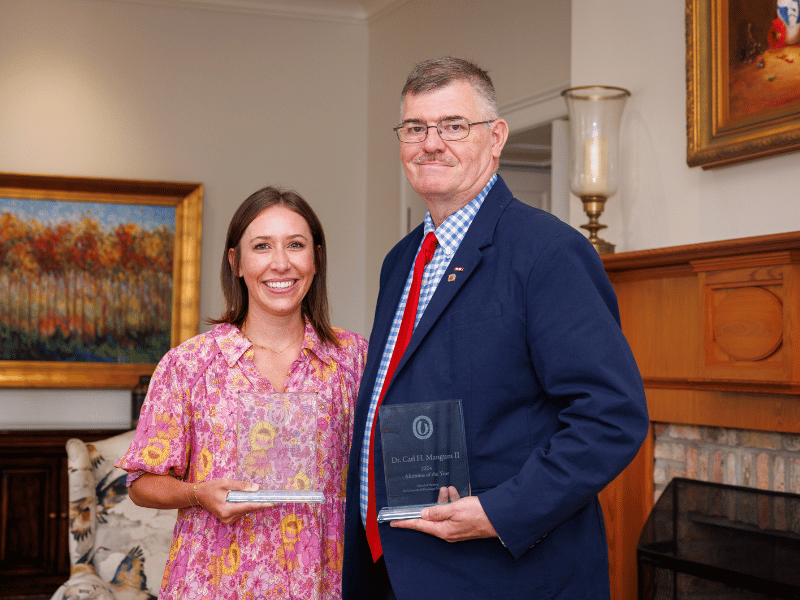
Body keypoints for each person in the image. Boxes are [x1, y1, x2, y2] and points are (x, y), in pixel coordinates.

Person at [342, 57, 649, 599]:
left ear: (496, 137)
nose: (430, 143)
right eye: (415, 128)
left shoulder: (549, 252)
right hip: (398, 568)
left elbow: (612, 416)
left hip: (502, 575)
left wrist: (499, 512)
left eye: (454, 126)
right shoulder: (401, 260)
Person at [117, 186, 368, 599]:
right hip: (215, 581)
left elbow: (383, 463)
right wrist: (198, 493)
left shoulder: (354, 359)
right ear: (236, 261)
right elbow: (143, 482)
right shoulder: (189, 365)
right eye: (262, 246)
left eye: (296, 245)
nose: (280, 263)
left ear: (316, 258)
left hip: (325, 581)